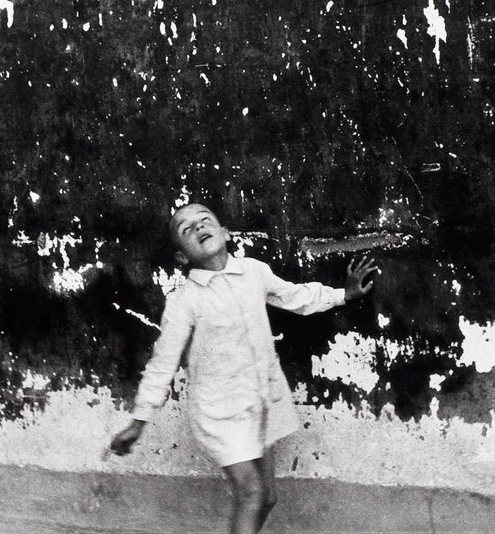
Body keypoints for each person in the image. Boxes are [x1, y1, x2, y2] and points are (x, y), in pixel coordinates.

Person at [109, 202, 378, 534]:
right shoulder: (184, 302)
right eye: (187, 230)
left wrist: (343, 294)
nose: (199, 228)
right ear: (182, 257)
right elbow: (162, 364)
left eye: (205, 221)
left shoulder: (254, 271)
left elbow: (295, 297)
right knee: (250, 494)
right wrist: (139, 421)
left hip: (259, 402)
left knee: (267, 497)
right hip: (218, 412)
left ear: (225, 233)